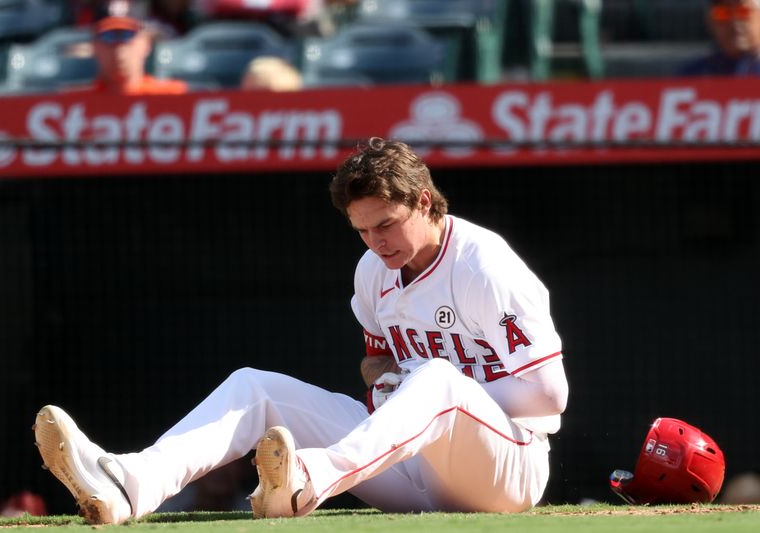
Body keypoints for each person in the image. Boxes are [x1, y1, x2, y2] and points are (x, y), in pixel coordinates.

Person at [33, 138, 568, 523]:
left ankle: (305, 483)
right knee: (255, 386)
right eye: (362, 230)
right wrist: (386, 380)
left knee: (435, 379)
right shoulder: (373, 271)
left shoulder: (481, 265)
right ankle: (129, 485)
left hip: (505, 468)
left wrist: (425, 392)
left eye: (385, 224)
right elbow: (377, 358)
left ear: (423, 201)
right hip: (408, 468)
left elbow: (548, 394)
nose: (376, 242)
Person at [86, 1, 188, 94]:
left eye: (127, 35)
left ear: (146, 43)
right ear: (94, 46)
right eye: (108, 36)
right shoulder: (77, 103)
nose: (119, 47)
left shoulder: (173, 96)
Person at [680, 0, 760, 76]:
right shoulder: (694, 76)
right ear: (710, 21)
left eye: (743, 12)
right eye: (722, 13)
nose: (734, 21)